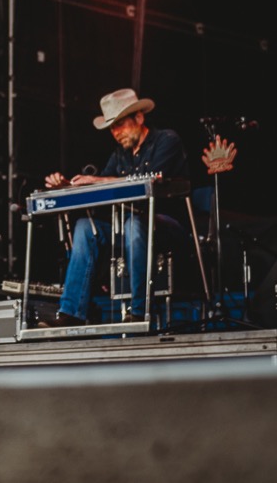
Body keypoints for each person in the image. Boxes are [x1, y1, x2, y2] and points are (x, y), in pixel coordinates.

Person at [38, 88, 191, 327]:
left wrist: (96, 181)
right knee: (85, 228)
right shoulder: (120, 155)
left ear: (139, 118)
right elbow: (101, 186)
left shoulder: (166, 140)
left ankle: (140, 311)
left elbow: (150, 180)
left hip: (167, 225)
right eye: (112, 128)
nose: (116, 133)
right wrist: (67, 185)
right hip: (129, 228)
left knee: (133, 224)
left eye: (120, 125)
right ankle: (72, 312)